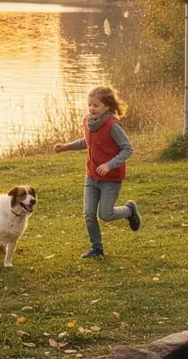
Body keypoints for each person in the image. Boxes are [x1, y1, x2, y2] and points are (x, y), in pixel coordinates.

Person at [54, 85, 141, 258]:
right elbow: (86, 141)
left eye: (96, 105)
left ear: (107, 106)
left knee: (106, 215)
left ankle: (129, 211)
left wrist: (109, 165)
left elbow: (127, 149)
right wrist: (66, 147)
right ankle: (97, 248)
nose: (92, 108)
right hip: (91, 176)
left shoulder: (112, 125)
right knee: (89, 214)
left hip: (111, 179)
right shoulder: (88, 122)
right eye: (90, 105)